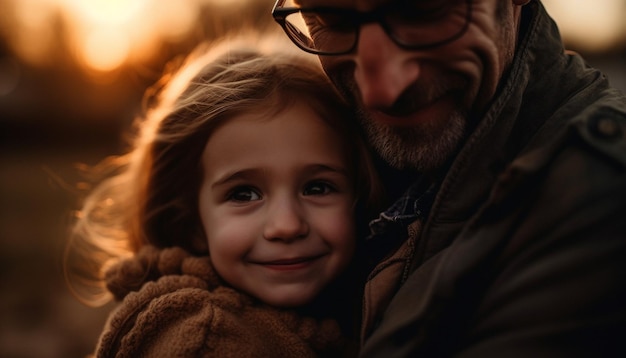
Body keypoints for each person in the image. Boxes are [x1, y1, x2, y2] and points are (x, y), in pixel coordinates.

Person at [272, 0, 626, 356]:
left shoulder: (600, 194)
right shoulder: (336, 146)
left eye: (423, 12)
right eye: (334, 20)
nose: (381, 92)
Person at [66, 36, 383, 357]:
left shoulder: (363, 305)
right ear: (189, 222)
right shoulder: (204, 338)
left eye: (317, 188)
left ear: (359, 194)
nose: (287, 225)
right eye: (244, 194)